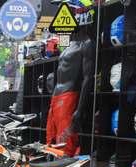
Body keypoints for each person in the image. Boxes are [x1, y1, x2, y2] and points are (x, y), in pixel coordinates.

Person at [46, 0, 96, 156]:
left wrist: (80, 110)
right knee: (51, 139)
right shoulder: (71, 43)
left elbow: (88, 79)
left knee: (65, 142)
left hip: (69, 97)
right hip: (56, 98)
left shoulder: (86, 43)